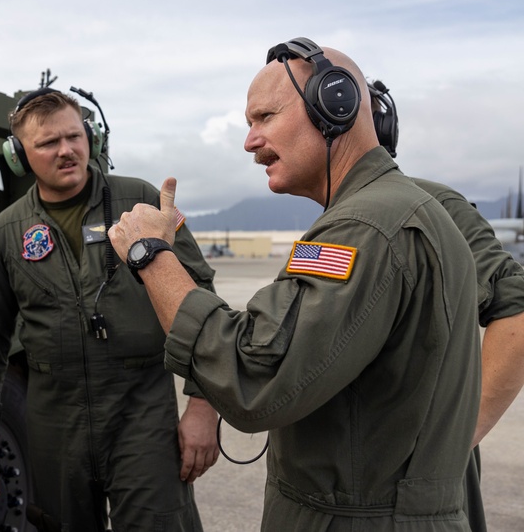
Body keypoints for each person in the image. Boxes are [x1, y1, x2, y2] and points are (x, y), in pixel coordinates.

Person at [109, 38, 482, 530]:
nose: (249, 142)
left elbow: (253, 378)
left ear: (336, 103)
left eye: (265, 117)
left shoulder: (366, 227)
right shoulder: (389, 211)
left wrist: (150, 256)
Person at [0, 87, 219, 532]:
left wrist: (203, 404)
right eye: (47, 143)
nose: (67, 151)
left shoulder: (140, 201)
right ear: (19, 156)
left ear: (90, 139)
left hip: (141, 412)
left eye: (74, 137)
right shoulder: (5, 232)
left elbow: (201, 298)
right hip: (54, 421)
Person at [369, 79, 524, 532]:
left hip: (418, 492)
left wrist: (454, 440)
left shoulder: (433, 204)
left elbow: (514, 310)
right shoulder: (329, 225)